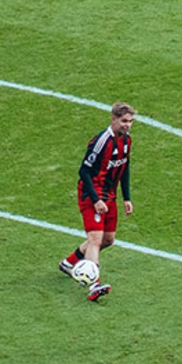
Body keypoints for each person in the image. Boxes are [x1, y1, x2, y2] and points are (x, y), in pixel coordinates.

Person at [58, 102, 135, 302]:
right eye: (124, 121)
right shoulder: (102, 141)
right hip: (92, 195)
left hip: (110, 196)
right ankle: (94, 285)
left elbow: (124, 168)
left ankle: (69, 263)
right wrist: (95, 199)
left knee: (109, 240)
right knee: (95, 239)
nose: (127, 125)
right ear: (114, 119)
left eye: (130, 121)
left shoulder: (126, 141)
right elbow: (83, 171)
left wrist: (126, 197)